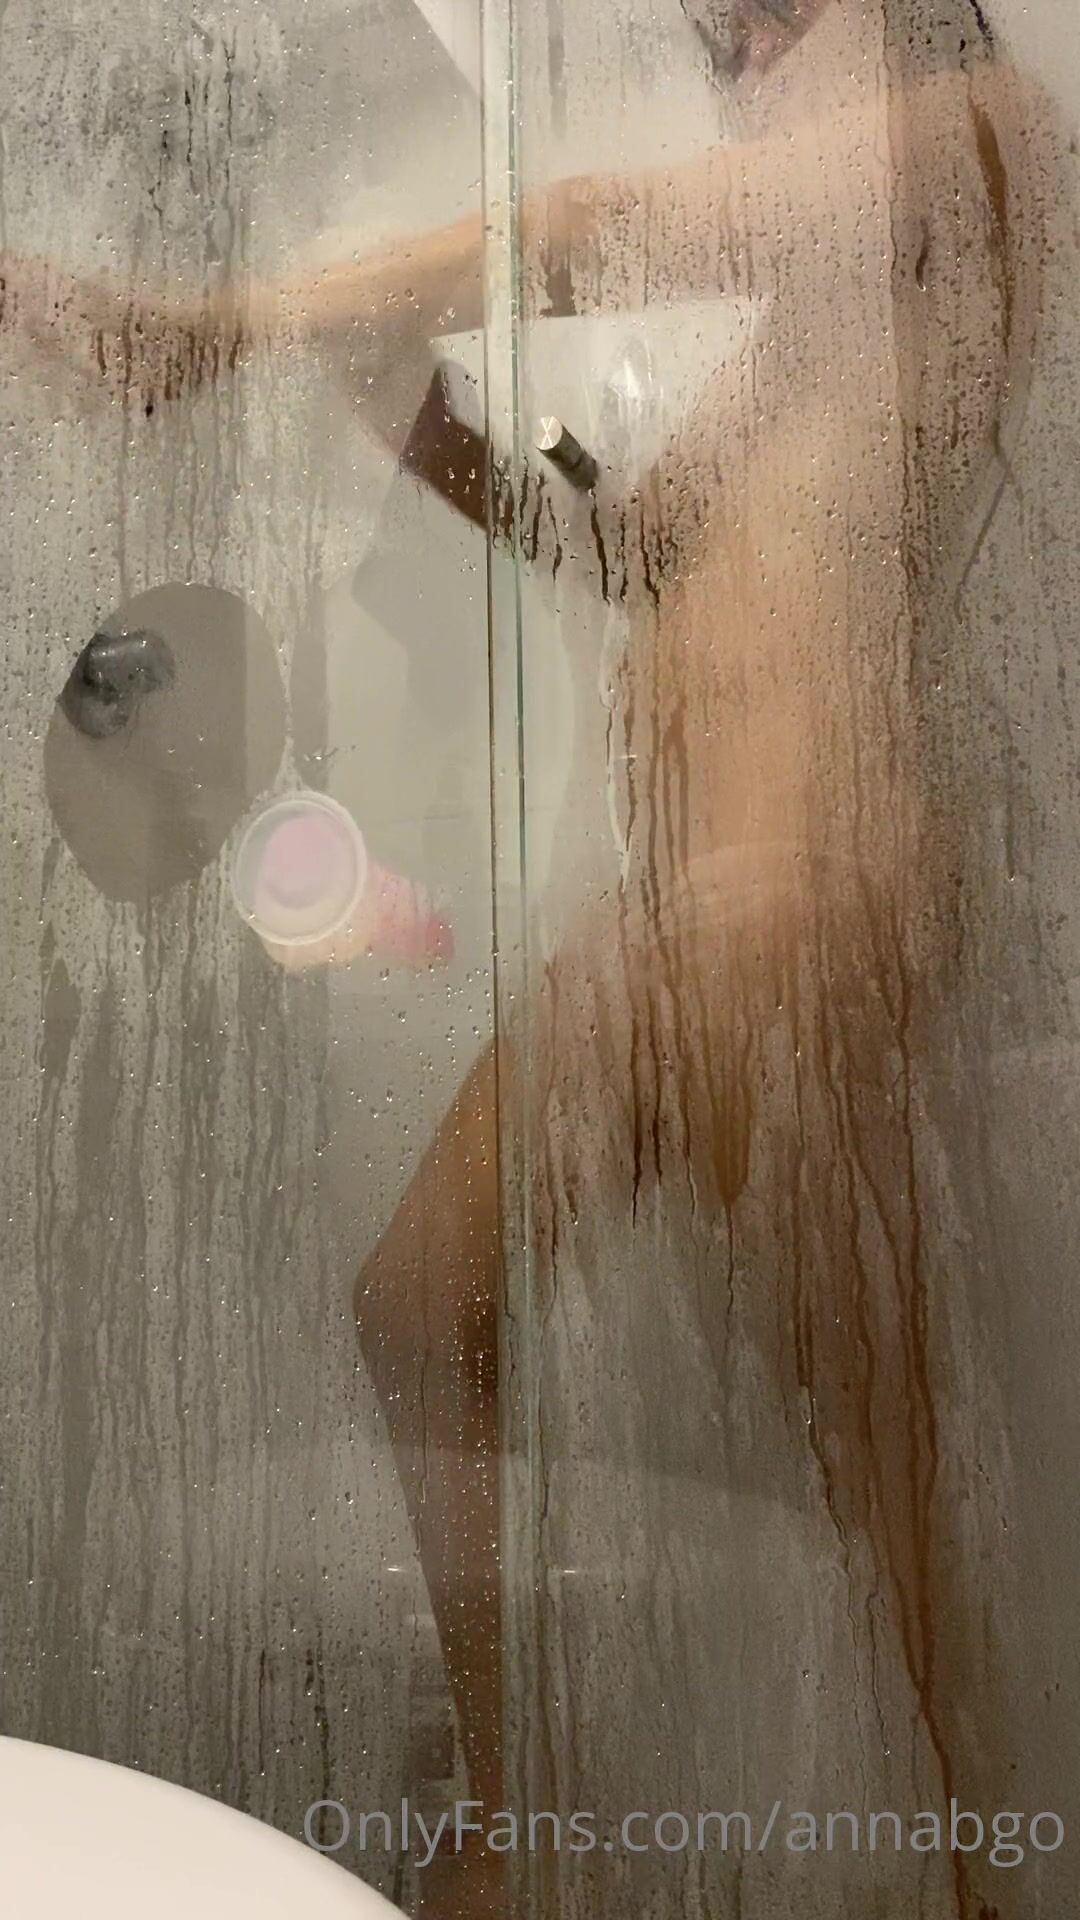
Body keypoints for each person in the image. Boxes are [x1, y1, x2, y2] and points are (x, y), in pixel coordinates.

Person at [3, 4, 1069, 1913]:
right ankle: (533, 1819)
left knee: (866, 1448)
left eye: (771, 23)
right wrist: (416, 422)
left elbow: (595, 221)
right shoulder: (817, 333)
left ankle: (938, 1864)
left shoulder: (974, 137)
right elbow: (633, 551)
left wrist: (221, 323)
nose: (738, 51)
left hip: (798, 879)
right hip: (704, 897)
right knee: (460, 1310)